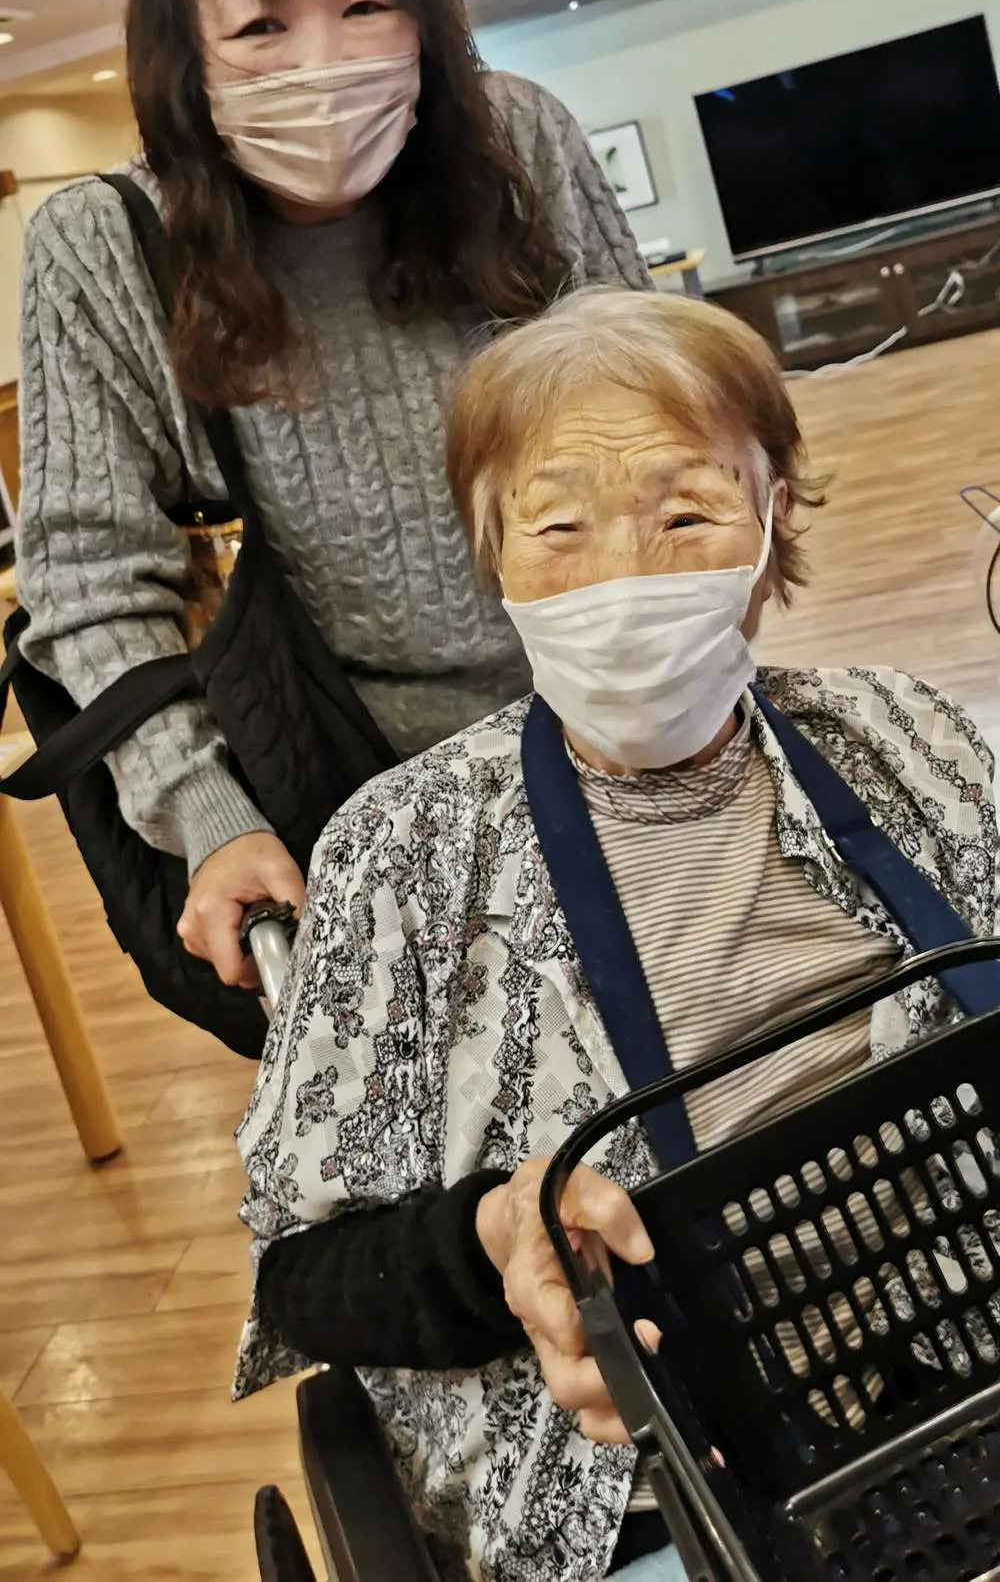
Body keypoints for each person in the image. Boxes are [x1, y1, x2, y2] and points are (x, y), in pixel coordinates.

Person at [235, 287, 999, 1582]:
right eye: (559, 527)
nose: (627, 576)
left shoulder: (903, 732)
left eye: (686, 513)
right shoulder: (407, 849)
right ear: (493, 554)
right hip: (645, 1476)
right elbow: (301, 1275)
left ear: (773, 522)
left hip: (961, 1362)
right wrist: (493, 1234)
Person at [15, 0, 648, 986]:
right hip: (346, 806)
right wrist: (207, 813)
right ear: (185, 52)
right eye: (259, 24)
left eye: (365, 3)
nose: (327, 62)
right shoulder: (104, 246)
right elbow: (91, 579)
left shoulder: (518, 143)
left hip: (621, 733)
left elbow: (671, 433)